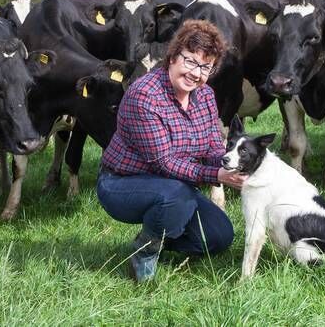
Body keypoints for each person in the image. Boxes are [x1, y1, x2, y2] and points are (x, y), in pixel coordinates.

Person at [96, 19, 247, 282]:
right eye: (190, 61)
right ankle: (145, 252)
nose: (196, 73)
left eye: (205, 67)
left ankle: (155, 236)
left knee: (219, 236)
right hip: (121, 184)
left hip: (177, 186)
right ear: (173, 56)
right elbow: (164, 162)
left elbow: (214, 146)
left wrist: (234, 167)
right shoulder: (144, 95)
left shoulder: (206, 96)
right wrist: (217, 176)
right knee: (175, 195)